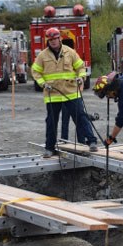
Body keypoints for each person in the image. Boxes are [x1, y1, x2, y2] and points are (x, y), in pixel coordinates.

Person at [31, 27, 98, 158]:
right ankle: (49, 148)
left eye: (55, 39)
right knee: (51, 122)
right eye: (51, 40)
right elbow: (35, 71)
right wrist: (42, 83)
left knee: (81, 117)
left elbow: (81, 67)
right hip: (53, 95)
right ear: (48, 41)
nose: (54, 41)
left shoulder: (70, 52)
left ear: (60, 38)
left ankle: (92, 142)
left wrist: (81, 77)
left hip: (71, 92)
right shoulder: (42, 56)